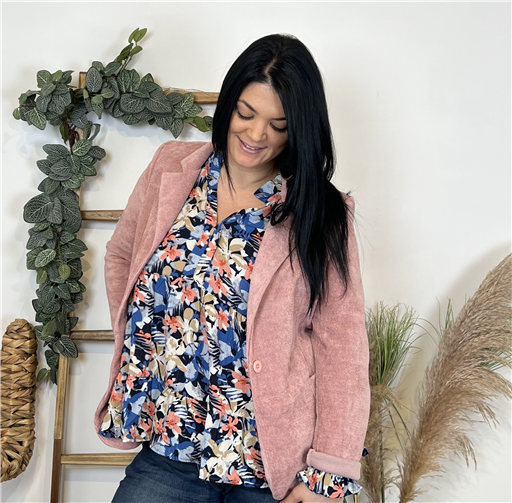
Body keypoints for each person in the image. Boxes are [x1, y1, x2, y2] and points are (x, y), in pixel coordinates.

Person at [94, 33, 370, 503]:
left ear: (299, 129)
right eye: (246, 113)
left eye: (278, 125)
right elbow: (122, 254)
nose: (257, 135)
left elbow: (341, 344)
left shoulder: (323, 212)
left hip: (272, 464)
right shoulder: (170, 169)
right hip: (172, 447)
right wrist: (146, 333)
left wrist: (327, 476)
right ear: (228, 104)